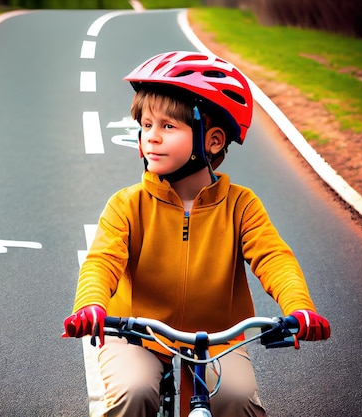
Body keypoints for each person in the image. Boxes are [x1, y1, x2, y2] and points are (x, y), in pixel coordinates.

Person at [63, 51, 330, 417]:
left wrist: (299, 308)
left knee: (235, 399)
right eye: (146, 125)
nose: (150, 138)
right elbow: (102, 262)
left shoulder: (241, 205)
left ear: (213, 140)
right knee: (134, 392)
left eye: (167, 127)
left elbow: (274, 258)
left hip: (217, 336)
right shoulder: (127, 204)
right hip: (136, 332)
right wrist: (90, 305)